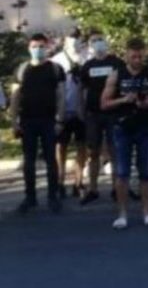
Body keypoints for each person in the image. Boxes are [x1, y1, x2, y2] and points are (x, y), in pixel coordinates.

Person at [100, 38, 148, 229]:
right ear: (126, 56)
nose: (137, 60)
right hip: (122, 127)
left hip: (145, 125)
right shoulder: (116, 75)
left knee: (146, 171)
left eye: (140, 56)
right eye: (133, 56)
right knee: (122, 172)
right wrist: (123, 100)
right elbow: (104, 103)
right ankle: (122, 213)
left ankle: (147, 211)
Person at [9, 33, 66, 214]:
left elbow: (61, 96)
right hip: (27, 120)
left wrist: (60, 119)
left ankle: (53, 196)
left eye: (41, 46)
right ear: (29, 48)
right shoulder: (22, 69)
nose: (38, 50)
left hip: (49, 120)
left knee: (51, 160)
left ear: (47, 47)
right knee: (29, 161)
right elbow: (15, 96)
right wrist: (13, 122)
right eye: (34, 46)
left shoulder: (55, 69)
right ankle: (30, 197)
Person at [78, 31, 124, 205]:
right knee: (93, 151)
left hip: (113, 112)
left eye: (100, 40)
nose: (98, 43)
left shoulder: (117, 63)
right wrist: (80, 109)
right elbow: (82, 89)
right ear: (90, 45)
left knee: (114, 151)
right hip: (93, 114)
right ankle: (93, 189)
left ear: (107, 42)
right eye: (94, 41)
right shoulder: (87, 65)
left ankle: (116, 188)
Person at [51, 29, 87, 199]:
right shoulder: (56, 60)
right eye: (71, 38)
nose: (74, 42)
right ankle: (60, 181)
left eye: (77, 38)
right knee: (61, 147)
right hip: (63, 110)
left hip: (82, 110)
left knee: (82, 147)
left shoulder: (87, 58)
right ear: (65, 40)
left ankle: (78, 181)